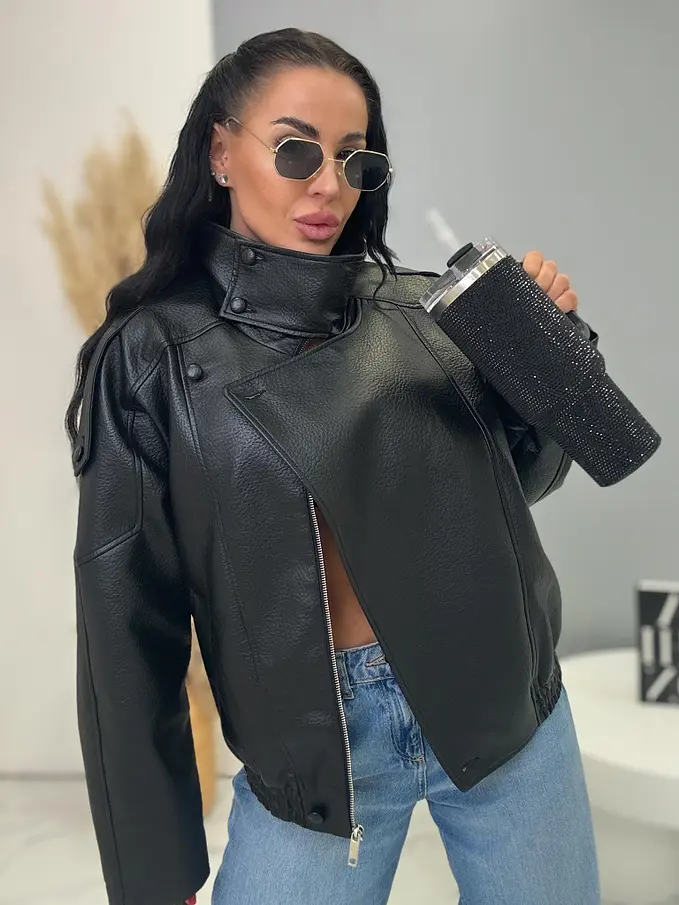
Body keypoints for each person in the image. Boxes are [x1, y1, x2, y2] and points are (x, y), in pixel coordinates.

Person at [67, 27, 601, 905]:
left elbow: (521, 487)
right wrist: (154, 876)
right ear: (221, 151)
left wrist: (548, 354)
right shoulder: (153, 356)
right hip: (316, 754)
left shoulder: (424, 312)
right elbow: (127, 625)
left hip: (504, 702)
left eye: (355, 160)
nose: (327, 185)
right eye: (295, 150)